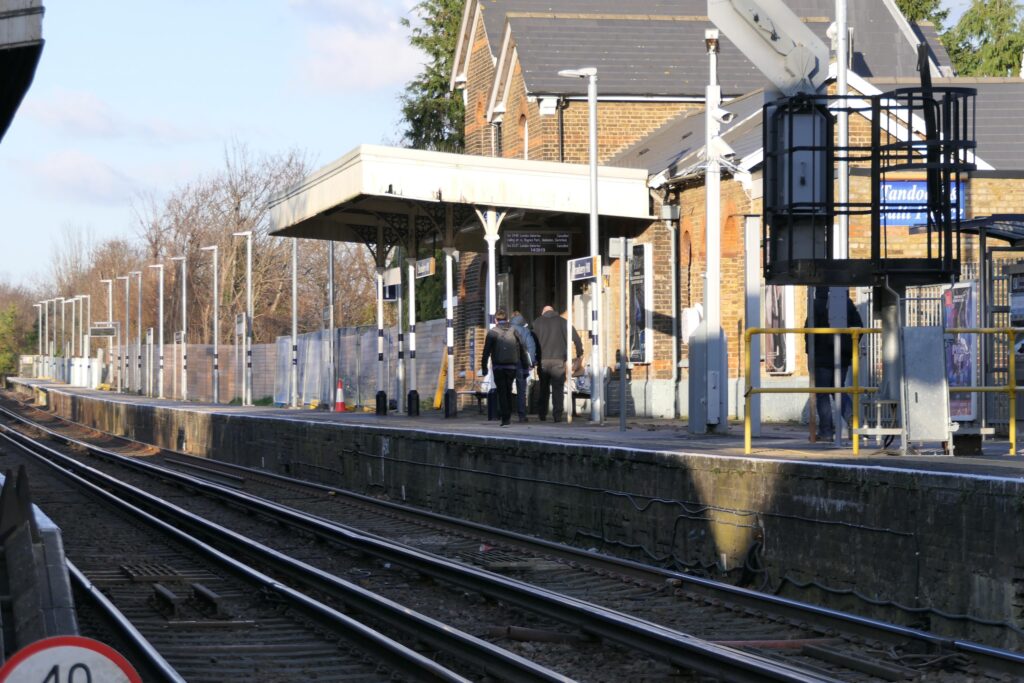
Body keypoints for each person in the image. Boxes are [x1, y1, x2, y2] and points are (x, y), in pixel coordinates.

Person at [806, 287, 863, 440]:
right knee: (838, 390)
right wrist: (850, 347)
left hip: (821, 358)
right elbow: (859, 326)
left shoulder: (816, 304)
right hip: (842, 356)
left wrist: (810, 353)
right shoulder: (847, 303)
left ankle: (826, 431)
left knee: (823, 393)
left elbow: (808, 331)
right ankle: (852, 419)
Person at [531, 305, 584, 423]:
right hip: (559, 361)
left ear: (543, 312)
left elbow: (531, 341)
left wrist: (533, 357)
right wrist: (580, 353)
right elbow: (577, 339)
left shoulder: (537, 322)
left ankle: (542, 414)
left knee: (543, 388)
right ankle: (557, 415)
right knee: (558, 389)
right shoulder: (563, 322)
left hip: (543, 361)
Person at [481, 309, 530, 426]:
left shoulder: (492, 332)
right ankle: (507, 414)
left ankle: (505, 418)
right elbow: (522, 348)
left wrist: (484, 367)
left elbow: (486, 351)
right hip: (512, 366)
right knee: (508, 390)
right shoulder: (514, 331)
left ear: (496, 320)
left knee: (501, 391)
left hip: (498, 367)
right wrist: (525, 366)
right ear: (507, 319)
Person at [509, 311, 537, 422]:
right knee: (521, 390)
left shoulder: (506, 329)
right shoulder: (525, 331)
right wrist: (531, 363)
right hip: (520, 363)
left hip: (507, 363)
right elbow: (531, 347)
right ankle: (521, 415)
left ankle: (505, 413)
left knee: (507, 388)